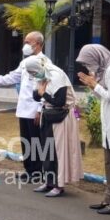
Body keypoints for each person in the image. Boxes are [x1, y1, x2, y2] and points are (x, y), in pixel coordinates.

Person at [0, 31, 49, 182]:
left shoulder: (44, 62)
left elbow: (45, 87)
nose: (25, 45)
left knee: (35, 142)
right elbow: (12, 77)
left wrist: (40, 109)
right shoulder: (25, 62)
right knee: (26, 141)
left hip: (35, 109)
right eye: (25, 42)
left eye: (28, 42)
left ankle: (38, 172)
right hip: (23, 108)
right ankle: (29, 170)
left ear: (38, 44)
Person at [76, 44, 110, 215]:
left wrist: (95, 85)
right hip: (109, 121)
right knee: (109, 163)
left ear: (96, 57)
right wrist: (94, 86)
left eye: (88, 62)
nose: (87, 66)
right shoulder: (105, 70)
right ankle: (108, 198)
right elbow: (103, 96)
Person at [27, 56, 83, 197]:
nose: (34, 76)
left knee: (58, 151)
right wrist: (40, 93)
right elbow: (35, 96)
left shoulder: (56, 75)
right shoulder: (41, 74)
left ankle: (59, 185)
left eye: (33, 73)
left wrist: (43, 93)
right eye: (31, 74)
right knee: (46, 149)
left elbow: (59, 101)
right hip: (48, 114)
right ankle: (49, 182)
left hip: (61, 116)